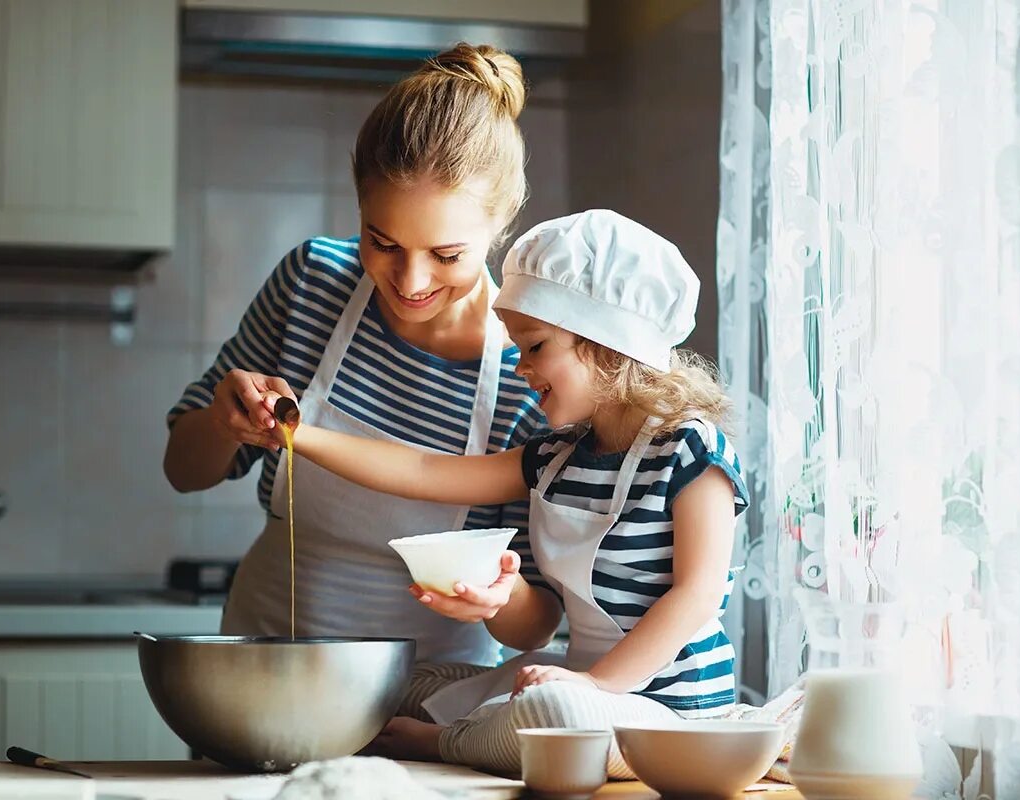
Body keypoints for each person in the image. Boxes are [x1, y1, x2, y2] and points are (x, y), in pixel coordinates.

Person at [276, 210, 751, 777]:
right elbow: (426, 471)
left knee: (556, 710)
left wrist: (595, 685)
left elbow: (696, 596)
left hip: (670, 717)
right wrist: (296, 434)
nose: (521, 367)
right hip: (580, 686)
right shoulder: (556, 457)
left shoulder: (692, 451)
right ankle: (477, 725)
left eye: (535, 347)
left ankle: (443, 742)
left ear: (605, 343)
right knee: (411, 680)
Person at [162, 43, 558, 712]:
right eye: (383, 242)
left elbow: (537, 619)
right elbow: (184, 468)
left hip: (429, 706)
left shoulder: (530, 366)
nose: (410, 281)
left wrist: (497, 598)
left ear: (501, 223)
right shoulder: (311, 284)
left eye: (447, 254)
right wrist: (224, 424)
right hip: (263, 680)